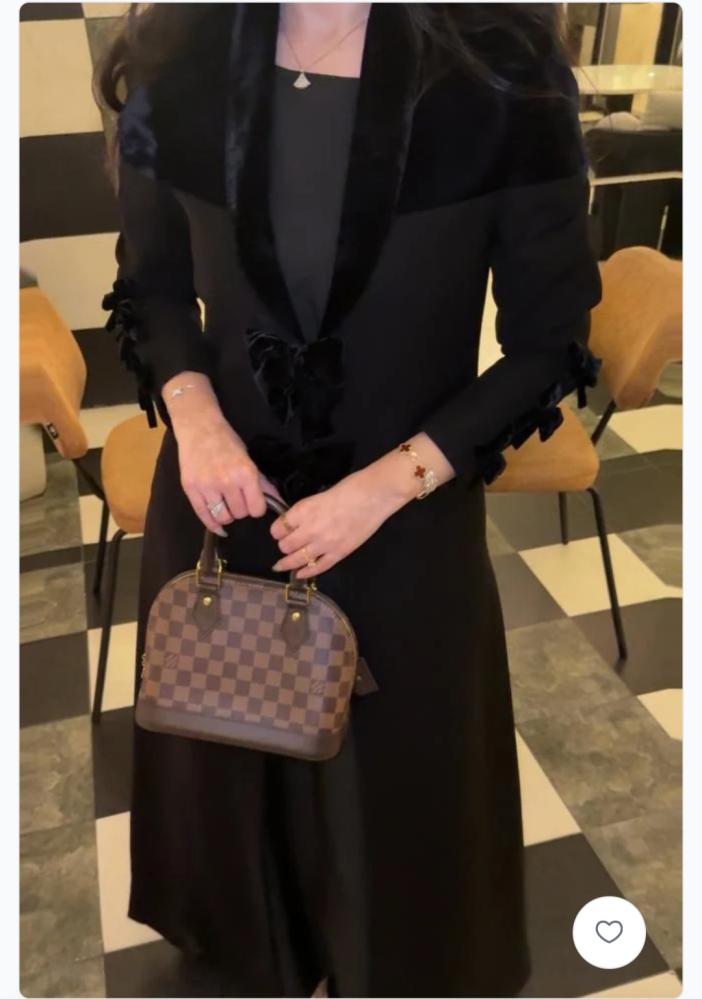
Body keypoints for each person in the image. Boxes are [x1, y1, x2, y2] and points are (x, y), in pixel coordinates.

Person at [97, 4, 602, 996]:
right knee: (231, 780)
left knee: (400, 809)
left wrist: (386, 486)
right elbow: (150, 287)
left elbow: (550, 343)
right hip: (222, 499)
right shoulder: (180, 51)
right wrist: (196, 421)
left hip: (405, 516)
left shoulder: (503, 69)